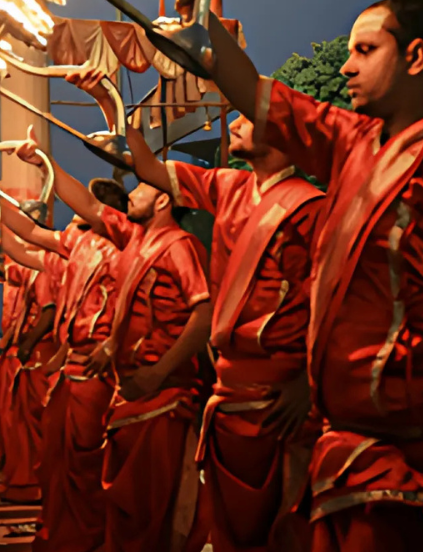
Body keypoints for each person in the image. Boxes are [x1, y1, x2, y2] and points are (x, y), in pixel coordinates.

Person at [150, 0, 423, 549]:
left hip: (415, 447)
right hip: (339, 436)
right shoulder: (353, 144)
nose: (345, 65)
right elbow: (253, 92)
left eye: (365, 49)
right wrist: (192, 1)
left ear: (415, 58)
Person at [125, 106, 325, 552]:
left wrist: (307, 384)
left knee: (283, 532)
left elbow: (326, 304)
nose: (233, 124)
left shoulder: (309, 207)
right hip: (229, 387)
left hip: (280, 393)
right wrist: (116, 111)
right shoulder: (229, 186)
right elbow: (148, 168)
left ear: (282, 133)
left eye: (247, 118)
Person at [15, 129, 213, 552]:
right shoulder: (136, 240)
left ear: (163, 199)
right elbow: (87, 204)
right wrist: (43, 161)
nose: (129, 195)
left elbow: (205, 314)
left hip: (161, 396)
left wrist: (158, 371)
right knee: (123, 511)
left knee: (149, 515)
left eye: (141, 187)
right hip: (128, 394)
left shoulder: (180, 245)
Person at [0, 157, 125, 552]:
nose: (69, 216)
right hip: (67, 371)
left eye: (79, 208)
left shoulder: (122, 251)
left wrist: (109, 346)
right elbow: (23, 235)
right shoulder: (76, 245)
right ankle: (63, 535)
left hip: (96, 373)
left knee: (85, 465)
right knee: (55, 460)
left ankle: (90, 540)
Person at [0, 255, 57, 502]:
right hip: (19, 353)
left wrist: (28, 345)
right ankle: (17, 479)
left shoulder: (40, 271)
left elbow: (49, 312)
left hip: (33, 355)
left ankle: (30, 484)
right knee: (9, 416)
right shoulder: (18, 276)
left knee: (26, 420)